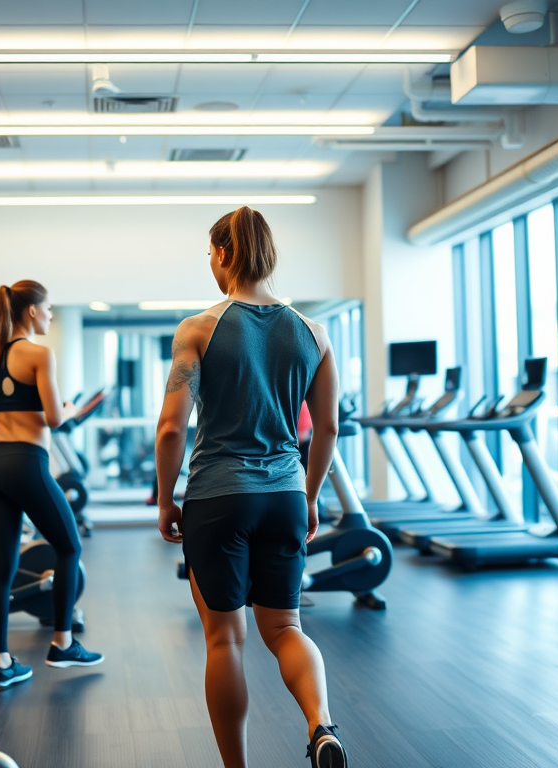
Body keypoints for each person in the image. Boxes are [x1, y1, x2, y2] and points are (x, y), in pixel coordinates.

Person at [155, 207, 347, 768]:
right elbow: (328, 427)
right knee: (285, 627)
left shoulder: (198, 328)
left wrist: (167, 498)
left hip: (217, 496)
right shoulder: (314, 332)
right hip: (285, 494)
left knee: (225, 641)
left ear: (223, 255)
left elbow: (171, 427)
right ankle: (320, 724)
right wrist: (309, 497)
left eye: (210, 255)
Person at [0, 280, 104, 691]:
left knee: (2, 567)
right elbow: (55, 418)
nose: (49, 316)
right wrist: (69, 407)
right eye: (47, 310)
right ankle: (62, 644)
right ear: (31, 312)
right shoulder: (40, 354)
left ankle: (2, 664)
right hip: (26, 463)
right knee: (70, 547)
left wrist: (14, 415)